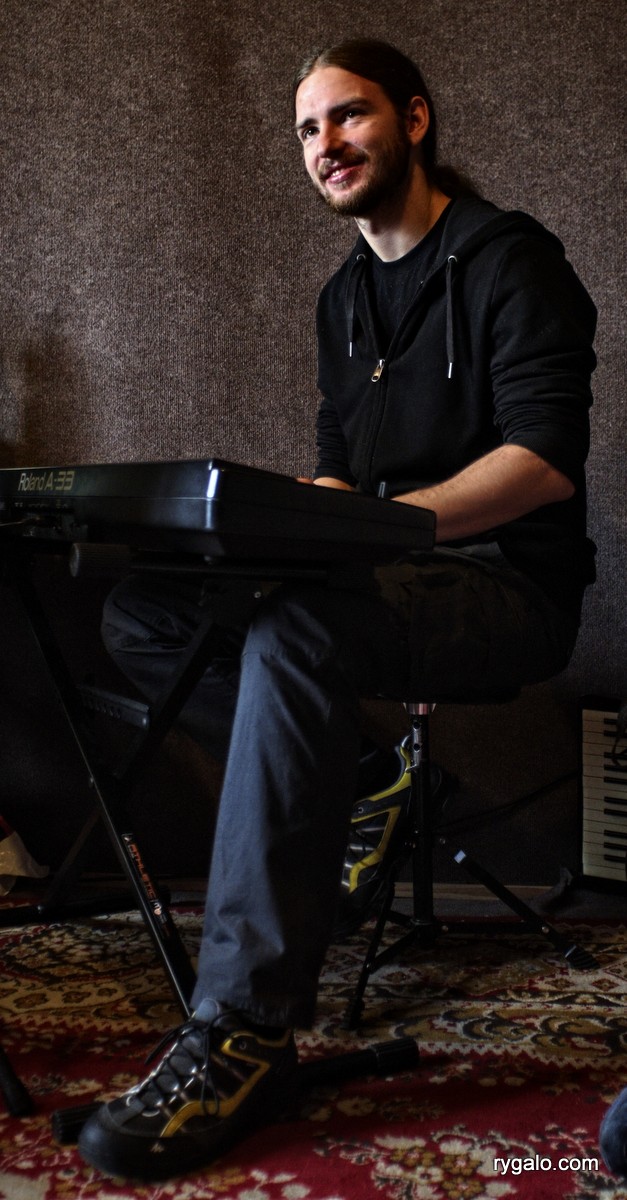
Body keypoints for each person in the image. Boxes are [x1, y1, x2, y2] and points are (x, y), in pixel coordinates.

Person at [77, 38, 597, 1182]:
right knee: (147, 615)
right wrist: (286, 533)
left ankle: (245, 1029)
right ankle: (372, 786)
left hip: (504, 587)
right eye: (309, 129)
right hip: (377, 575)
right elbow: (335, 472)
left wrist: (382, 530)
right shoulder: (343, 299)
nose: (327, 144)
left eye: (348, 115)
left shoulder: (514, 262)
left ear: (413, 118)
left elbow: (544, 463)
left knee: (297, 630)